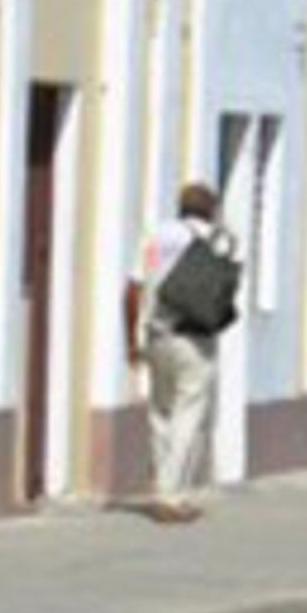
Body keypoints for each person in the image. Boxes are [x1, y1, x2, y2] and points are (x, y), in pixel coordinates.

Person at [126, 178, 242, 524]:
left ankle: (162, 487)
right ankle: (172, 495)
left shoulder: (156, 236)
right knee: (188, 415)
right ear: (212, 210)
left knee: (160, 411)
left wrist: (130, 338)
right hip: (195, 338)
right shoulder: (222, 242)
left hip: (157, 335)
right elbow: (226, 293)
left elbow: (132, 288)